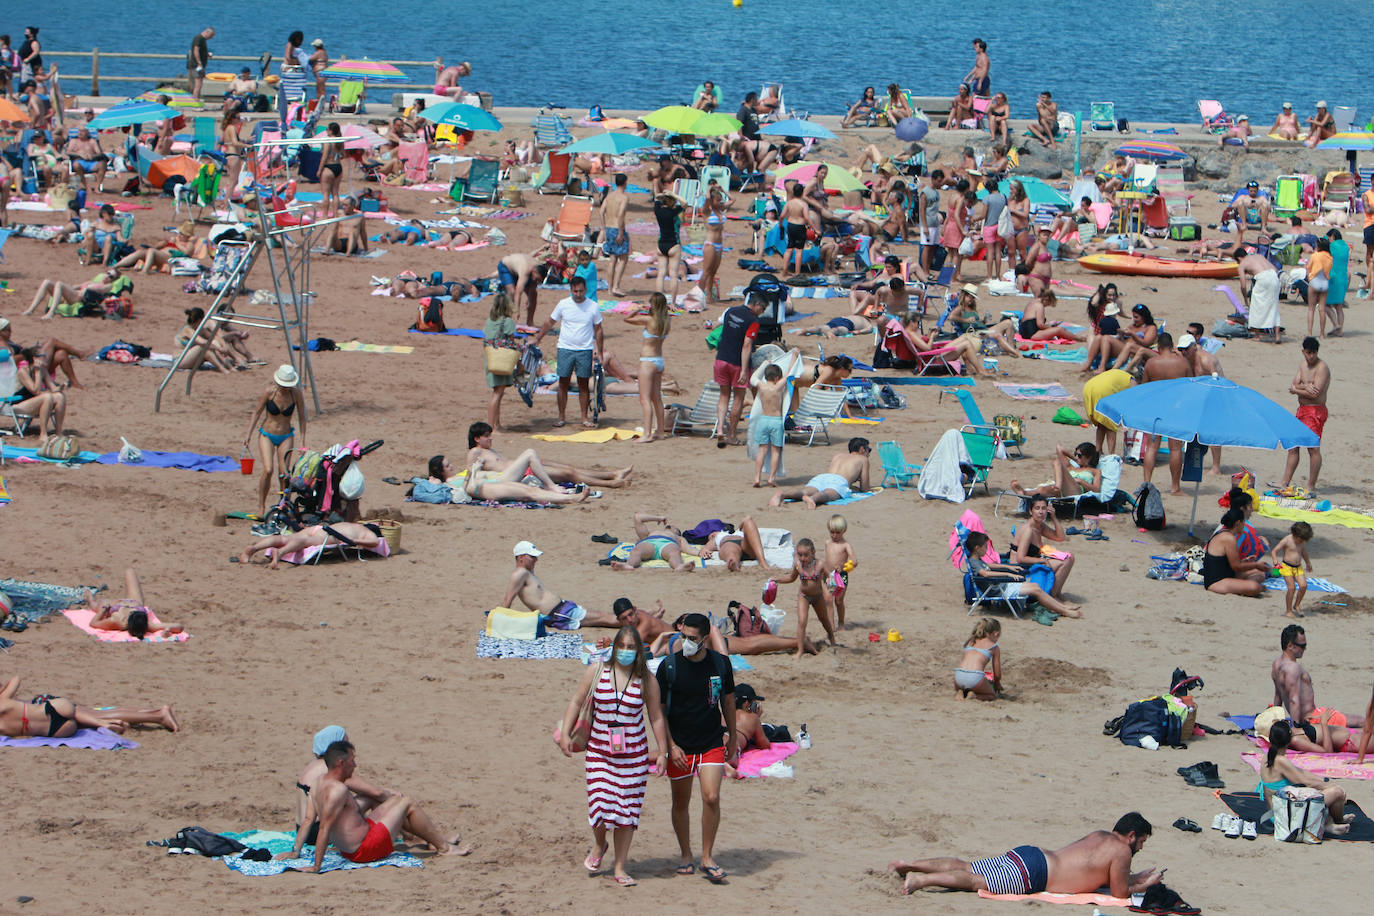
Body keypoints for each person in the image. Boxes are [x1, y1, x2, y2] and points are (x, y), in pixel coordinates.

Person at [558, 626, 669, 887]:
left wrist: (662, 751)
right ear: (614, 647)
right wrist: (565, 733)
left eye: (632, 647)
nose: (626, 652)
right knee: (599, 807)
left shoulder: (647, 679)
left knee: (626, 813)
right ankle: (599, 844)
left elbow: (655, 716)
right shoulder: (597, 671)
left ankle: (620, 866)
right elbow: (576, 701)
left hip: (633, 756)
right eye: (623, 646)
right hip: (599, 751)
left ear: (639, 650)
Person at [288, 740, 467, 870]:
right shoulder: (338, 791)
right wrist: (316, 866)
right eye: (352, 761)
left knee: (392, 801)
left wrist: (295, 851)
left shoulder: (318, 782)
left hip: (358, 840)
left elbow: (309, 820)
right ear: (341, 763)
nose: (355, 765)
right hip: (365, 850)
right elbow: (324, 828)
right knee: (407, 802)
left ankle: (434, 840)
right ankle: (444, 848)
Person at [890, 813, 1160, 898]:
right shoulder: (1122, 850)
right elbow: (1119, 893)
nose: (1140, 848)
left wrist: (1135, 876)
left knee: (967, 865)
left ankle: (909, 864)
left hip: (1032, 855)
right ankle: (919, 882)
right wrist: (1145, 884)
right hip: (1036, 874)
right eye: (1141, 842)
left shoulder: (1101, 835)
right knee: (976, 882)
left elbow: (1100, 872)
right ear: (1132, 835)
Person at [655, 612, 736, 883]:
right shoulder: (669, 667)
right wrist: (670, 746)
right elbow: (659, 713)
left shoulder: (720, 664)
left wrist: (733, 737)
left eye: (692, 638)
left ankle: (707, 857)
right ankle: (686, 854)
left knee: (711, 797)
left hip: (711, 741)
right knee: (681, 802)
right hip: (680, 746)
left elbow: (728, 702)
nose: (686, 642)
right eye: (683, 636)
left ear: (704, 639)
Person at [288, 725, 393, 850]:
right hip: (318, 830)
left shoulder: (313, 765)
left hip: (304, 830)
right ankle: (384, 838)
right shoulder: (334, 768)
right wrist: (396, 799)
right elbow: (376, 792)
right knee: (372, 798)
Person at [1272, 623, 1366, 751]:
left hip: (1310, 718)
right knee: (1362, 722)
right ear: (1290, 646)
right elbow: (1294, 700)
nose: (1305, 649)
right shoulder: (1293, 668)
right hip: (1313, 718)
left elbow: (1278, 694)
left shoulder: (1277, 664)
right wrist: (1297, 726)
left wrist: (1275, 718)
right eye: (1302, 646)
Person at [529, 276, 603, 429]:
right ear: (571, 290)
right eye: (575, 291)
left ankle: (584, 417)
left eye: (581, 291)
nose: (578, 294)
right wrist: (538, 338)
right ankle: (561, 416)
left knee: (583, 384)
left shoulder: (593, 306)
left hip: (584, 349)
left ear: (585, 290)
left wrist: (599, 351)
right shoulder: (563, 304)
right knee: (563, 382)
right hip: (565, 348)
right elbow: (550, 322)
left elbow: (599, 329)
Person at [1257, 720, 1355, 835]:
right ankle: (1337, 821)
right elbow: (1304, 781)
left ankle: (1330, 823)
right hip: (1286, 815)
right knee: (1337, 792)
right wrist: (1329, 785)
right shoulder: (1281, 760)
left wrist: (1324, 780)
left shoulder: (1268, 755)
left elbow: (1302, 773)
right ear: (1289, 740)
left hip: (1279, 812)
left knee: (1324, 790)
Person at [0, 675, 179, 737]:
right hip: (52, 708)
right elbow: (16, 679)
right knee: (101, 714)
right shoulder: (2, 702)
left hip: (56, 731)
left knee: (97, 717)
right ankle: (158, 714)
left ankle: (111, 723)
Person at [505, 540, 615, 629]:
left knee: (602, 616)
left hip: (563, 609)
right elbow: (507, 600)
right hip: (559, 615)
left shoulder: (527, 573)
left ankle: (629, 620)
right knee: (602, 617)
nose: (536, 560)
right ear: (520, 558)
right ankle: (630, 622)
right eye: (532, 557)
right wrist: (500, 622)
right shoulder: (519, 574)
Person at [244, 364, 307, 518]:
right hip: (267, 434)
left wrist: (303, 441)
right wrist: (248, 434)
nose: (285, 388)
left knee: (284, 473)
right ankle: (261, 506)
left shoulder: (295, 394)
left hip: (286, 435)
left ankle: (283, 504)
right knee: (268, 470)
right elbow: (257, 412)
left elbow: (302, 417)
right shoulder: (269, 392)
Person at [770, 537, 838, 656]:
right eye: (800, 555)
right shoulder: (798, 566)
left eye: (806, 555)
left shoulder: (820, 564)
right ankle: (800, 650)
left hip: (818, 596)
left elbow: (829, 578)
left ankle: (832, 638)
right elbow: (791, 578)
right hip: (804, 596)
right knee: (802, 622)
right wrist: (777, 580)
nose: (802, 558)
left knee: (824, 619)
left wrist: (833, 582)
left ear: (813, 553)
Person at [713, 295, 766, 447]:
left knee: (723, 396)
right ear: (756, 304)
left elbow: (719, 327)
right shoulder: (754, 321)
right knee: (738, 398)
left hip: (721, 358)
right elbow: (747, 345)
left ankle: (720, 430)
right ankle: (731, 435)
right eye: (762, 309)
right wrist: (744, 370)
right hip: (737, 363)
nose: (761, 313)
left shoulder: (731, 311)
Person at [1280, 337, 1330, 492]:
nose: (1311, 356)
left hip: (1315, 411)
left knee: (1313, 448)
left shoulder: (1322, 368)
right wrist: (1302, 387)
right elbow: (1293, 385)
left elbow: (1315, 393)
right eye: (1308, 353)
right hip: (1302, 410)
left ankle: (1311, 485)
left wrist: (1298, 389)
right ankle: (1284, 481)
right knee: (1293, 446)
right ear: (1303, 352)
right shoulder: (1302, 365)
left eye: (1314, 353)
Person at [770, 437, 872, 508]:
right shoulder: (863, 459)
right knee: (827, 494)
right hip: (839, 481)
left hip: (823, 477)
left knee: (805, 491)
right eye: (869, 450)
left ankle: (782, 494)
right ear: (862, 449)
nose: (869, 453)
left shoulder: (838, 455)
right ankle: (813, 499)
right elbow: (865, 488)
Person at [81, 568, 183, 639]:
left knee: (94, 605)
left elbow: (93, 623)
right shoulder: (147, 625)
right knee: (130, 571)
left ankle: (89, 596)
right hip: (134, 601)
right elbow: (179, 626)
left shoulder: (117, 621)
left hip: (114, 605)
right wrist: (167, 629)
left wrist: (102, 612)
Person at [237, 521, 386, 569]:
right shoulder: (369, 533)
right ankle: (279, 555)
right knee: (304, 543)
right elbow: (374, 542)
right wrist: (355, 542)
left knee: (284, 538)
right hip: (331, 535)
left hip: (319, 527)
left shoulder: (354, 524)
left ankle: (253, 548)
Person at [1009, 495, 1075, 598]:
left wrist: (1054, 517)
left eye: (1044, 508)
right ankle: (1052, 596)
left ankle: (1056, 593)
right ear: (1031, 511)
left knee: (1069, 556)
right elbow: (1020, 558)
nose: (1041, 512)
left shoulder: (1039, 526)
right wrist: (1042, 561)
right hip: (1020, 568)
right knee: (1066, 561)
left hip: (1032, 562)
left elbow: (1060, 537)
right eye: (1037, 508)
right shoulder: (1028, 530)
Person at [1202, 509, 1267, 596]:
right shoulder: (1228, 538)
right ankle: (1243, 588)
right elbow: (1236, 566)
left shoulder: (1224, 533)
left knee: (1260, 574)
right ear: (1238, 523)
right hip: (1216, 581)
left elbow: (1226, 562)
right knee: (1255, 587)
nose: (1244, 526)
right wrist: (1256, 565)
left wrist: (1245, 561)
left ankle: (1241, 586)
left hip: (1226, 574)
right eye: (1244, 523)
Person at [611, 513, 696, 572]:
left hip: (667, 544)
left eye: (675, 527)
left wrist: (703, 552)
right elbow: (638, 517)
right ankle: (628, 565)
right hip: (649, 542)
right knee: (636, 551)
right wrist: (658, 518)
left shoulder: (678, 538)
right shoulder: (648, 534)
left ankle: (678, 566)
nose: (671, 525)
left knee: (675, 552)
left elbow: (689, 549)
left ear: (677, 532)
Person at [749, 364, 787, 487]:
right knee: (775, 451)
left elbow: (753, 377)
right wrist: (794, 357)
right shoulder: (778, 388)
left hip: (763, 419)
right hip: (776, 420)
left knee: (762, 450)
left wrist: (765, 363)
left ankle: (757, 478)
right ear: (777, 378)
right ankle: (771, 477)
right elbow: (790, 374)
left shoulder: (762, 386)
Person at [1269, 522, 1315, 618]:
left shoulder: (1301, 542)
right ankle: (1288, 610)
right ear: (1295, 534)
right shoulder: (1287, 540)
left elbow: (1303, 552)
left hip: (1298, 567)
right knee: (1291, 588)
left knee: (1303, 586)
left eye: (1303, 540)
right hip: (1287, 567)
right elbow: (1274, 551)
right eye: (1300, 539)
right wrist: (1275, 560)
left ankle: (1297, 605)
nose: (1302, 541)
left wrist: (1308, 562)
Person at [1237, 245, 1281, 343]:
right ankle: (1277, 336)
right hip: (1274, 276)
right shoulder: (1259, 256)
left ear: (1239, 258)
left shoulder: (1242, 264)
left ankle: (1257, 336)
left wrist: (1245, 300)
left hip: (1263, 278)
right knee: (1273, 306)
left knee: (1255, 306)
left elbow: (1243, 286)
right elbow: (1275, 269)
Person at [696, 517, 775, 571]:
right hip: (728, 544)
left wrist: (744, 523)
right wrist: (704, 550)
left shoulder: (738, 532)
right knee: (731, 549)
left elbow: (748, 528)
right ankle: (733, 562)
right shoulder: (716, 538)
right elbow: (705, 548)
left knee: (748, 520)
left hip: (745, 545)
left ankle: (762, 561)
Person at [822, 514, 857, 629]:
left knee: (839, 601)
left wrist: (845, 566)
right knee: (828, 599)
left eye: (837, 532)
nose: (834, 535)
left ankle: (841, 622)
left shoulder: (845, 545)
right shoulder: (828, 543)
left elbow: (854, 560)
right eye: (832, 532)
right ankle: (831, 626)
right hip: (828, 575)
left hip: (841, 576)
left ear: (843, 531)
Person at [599, 174, 631, 297]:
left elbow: (601, 211)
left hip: (609, 228)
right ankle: (616, 286)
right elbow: (621, 214)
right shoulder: (624, 198)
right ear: (625, 183)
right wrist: (621, 232)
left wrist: (603, 228)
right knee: (623, 258)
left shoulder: (609, 196)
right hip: (617, 229)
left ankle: (609, 288)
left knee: (612, 259)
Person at [956, 617, 1003, 700]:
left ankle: (960, 692)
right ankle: (974, 696)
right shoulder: (994, 647)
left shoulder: (971, 641)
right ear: (995, 633)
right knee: (991, 695)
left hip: (959, 676)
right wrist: (997, 683)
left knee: (967, 684)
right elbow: (997, 674)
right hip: (975, 676)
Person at [496, 253, 549, 325]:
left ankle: (530, 322)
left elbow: (532, 290)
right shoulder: (526, 271)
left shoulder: (537, 271)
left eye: (539, 280)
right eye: (537, 279)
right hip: (506, 267)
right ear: (534, 272)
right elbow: (518, 293)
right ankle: (507, 320)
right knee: (512, 292)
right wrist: (517, 311)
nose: (537, 281)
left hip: (518, 270)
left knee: (534, 295)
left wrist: (530, 299)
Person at [65, 127, 108, 194]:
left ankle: (97, 187)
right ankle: (87, 187)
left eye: (82, 131)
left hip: (92, 163)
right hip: (79, 162)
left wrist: (92, 156)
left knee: (103, 164)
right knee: (76, 165)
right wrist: (79, 154)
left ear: (87, 133)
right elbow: (68, 152)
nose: (80, 133)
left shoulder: (92, 141)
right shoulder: (73, 141)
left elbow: (99, 153)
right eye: (79, 131)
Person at [1325, 228, 1349, 335]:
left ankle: (1336, 324)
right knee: (1339, 306)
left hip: (1333, 278)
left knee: (1325, 304)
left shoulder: (1332, 246)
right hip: (1343, 278)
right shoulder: (1346, 247)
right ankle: (1340, 330)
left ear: (1332, 237)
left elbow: (1324, 243)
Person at [187, 27, 213, 100]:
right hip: (196, 65)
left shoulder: (203, 40)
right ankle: (195, 101)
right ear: (207, 32)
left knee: (200, 83)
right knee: (198, 84)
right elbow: (196, 50)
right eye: (211, 36)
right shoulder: (199, 38)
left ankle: (197, 99)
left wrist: (207, 54)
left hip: (199, 65)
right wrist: (199, 62)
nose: (211, 38)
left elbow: (201, 51)